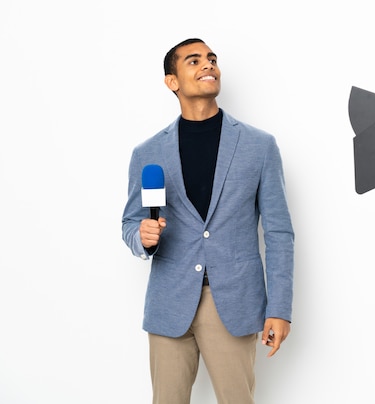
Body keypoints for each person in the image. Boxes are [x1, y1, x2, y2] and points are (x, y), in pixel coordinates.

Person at [121, 38, 295, 404]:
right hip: (169, 304)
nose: (208, 64)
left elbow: (279, 232)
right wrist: (143, 236)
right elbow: (130, 224)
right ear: (172, 81)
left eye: (212, 59)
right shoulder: (147, 152)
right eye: (194, 60)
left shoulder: (259, 146)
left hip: (234, 301)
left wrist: (279, 309)